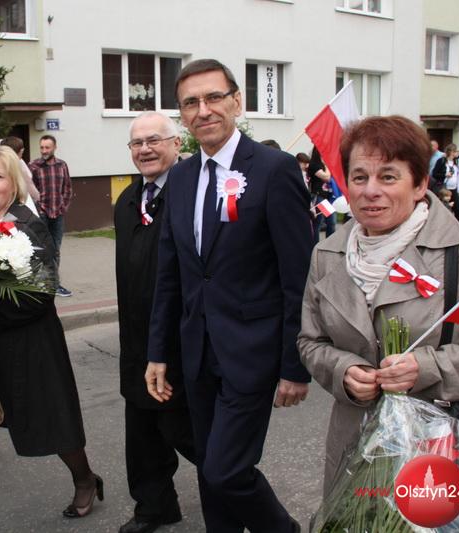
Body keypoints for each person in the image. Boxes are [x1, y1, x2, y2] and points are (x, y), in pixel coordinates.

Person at [297, 115, 459, 496]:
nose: (370, 190)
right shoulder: (326, 254)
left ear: (420, 184)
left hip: (441, 445)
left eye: (388, 177)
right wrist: (344, 371)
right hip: (354, 445)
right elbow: (311, 342)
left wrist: (426, 368)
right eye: (359, 177)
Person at [146, 59, 311, 533]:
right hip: (196, 353)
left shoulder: (274, 169)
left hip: (252, 353)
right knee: (209, 470)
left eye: (214, 97)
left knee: (226, 470)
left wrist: (294, 365)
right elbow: (171, 274)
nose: (203, 110)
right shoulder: (180, 177)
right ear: (182, 115)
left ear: (237, 101)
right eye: (190, 103)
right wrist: (158, 351)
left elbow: (298, 277)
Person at [0, 143, 101, 532]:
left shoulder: (29, 226)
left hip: (30, 348)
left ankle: (85, 480)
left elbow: (41, 297)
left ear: (13, 182)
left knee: (56, 429)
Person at [115, 112, 196, 533]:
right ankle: (155, 506)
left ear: (177, 143)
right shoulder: (127, 200)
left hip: (180, 339)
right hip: (135, 338)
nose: (145, 149)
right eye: (137, 143)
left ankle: (242, 499)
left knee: (186, 430)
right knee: (142, 431)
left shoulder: (192, 194)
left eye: (154, 140)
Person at [29, 134, 73, 297]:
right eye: (42, 147)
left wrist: (63, 207)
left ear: (54, 147)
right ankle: (41, 284)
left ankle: (55, 285)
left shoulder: (62, 165)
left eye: (47, 147)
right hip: (42, 214)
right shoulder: (33, 166)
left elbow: (67, 188)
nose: (44, 150)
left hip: (58, 214)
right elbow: (29, 192)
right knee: (42, 249)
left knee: (55, 250)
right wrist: (38, 210)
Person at [0, 136, 40, 214]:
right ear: (21, 151)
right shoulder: (18, 166)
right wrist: (39, 198)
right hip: (19, 204)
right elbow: (30, 187)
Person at [309, 147, 336, 241]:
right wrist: (326, 165)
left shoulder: (323, 165)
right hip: (318, 196)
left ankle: (329, 243)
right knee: (318, 223)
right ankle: (315, 244)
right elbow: (326, 177)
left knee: (331, 222)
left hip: (327, 197)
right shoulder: (314, 165)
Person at [432, 143, 459, 221]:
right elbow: (434, 174)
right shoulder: (441, 161)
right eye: (455, 151)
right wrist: (445, 174)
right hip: (444, 188)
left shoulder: (456, 161)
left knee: (457, 209)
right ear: (451, 152)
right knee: (445, 207)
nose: (457, 153)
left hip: (454, 188)